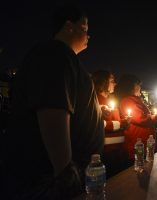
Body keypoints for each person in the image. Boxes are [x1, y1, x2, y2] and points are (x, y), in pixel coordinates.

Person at [1, 4, 103, 199]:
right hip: (48, 181)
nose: (88, 35)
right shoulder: (55, 52)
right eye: (85, 29)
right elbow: (52, 107)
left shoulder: (64, 58)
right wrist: (64, 170)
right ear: (69, 26)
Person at [91, 69, 129, 178]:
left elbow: (115, 121)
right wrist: (121, 124)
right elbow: (100, 124)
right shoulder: (95, 100)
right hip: (106, 151)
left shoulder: (109, 100)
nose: (115, 83)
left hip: (117, 149)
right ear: (103, 82)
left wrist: (125, 122)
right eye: (112, 80)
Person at [115, 74, 157, 164]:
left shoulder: (134, 99)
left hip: (144, 142)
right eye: (138, 85)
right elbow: (140, 119)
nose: (140, 87)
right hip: (137, 142)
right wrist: (153, 117)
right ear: (131, 86)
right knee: (137, 170)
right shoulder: (128, 100)